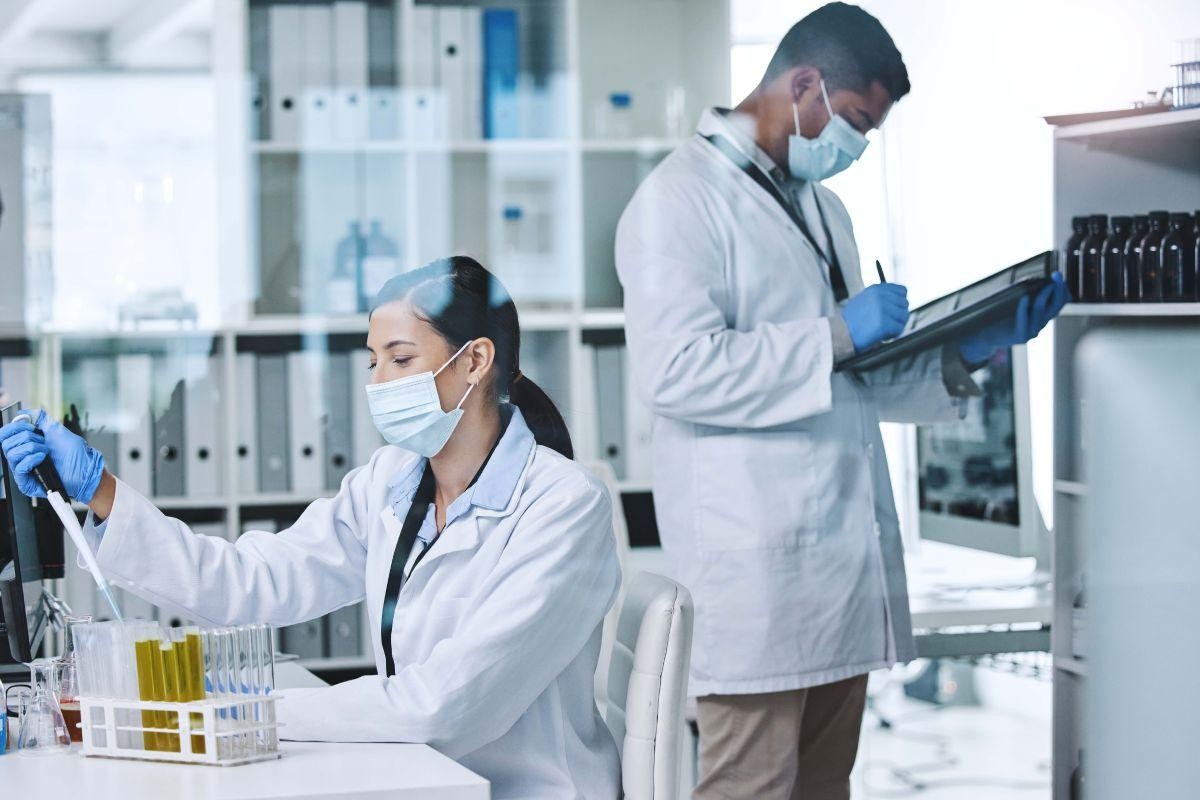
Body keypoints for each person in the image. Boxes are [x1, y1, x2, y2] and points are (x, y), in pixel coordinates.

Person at [614, 4, 1069, 799]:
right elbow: (677, 372)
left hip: (836, 577)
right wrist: (834, 333)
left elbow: (851, 373)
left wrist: (971, 348)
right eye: (856, 122)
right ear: (804, 84)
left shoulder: (824, 210)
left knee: (827, 789)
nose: (857, 148)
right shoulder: (676, 202)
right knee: (748, 787)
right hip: (752, 580)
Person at [0, 256, 622, 799]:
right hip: (417, 776)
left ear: (475, 362)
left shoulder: (564, 507)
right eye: (373, 362)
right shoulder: (394, 482)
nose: (378, 384)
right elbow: (254, 581)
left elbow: (444, 705)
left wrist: (255, 712)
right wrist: (101, 493)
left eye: (401, 359)